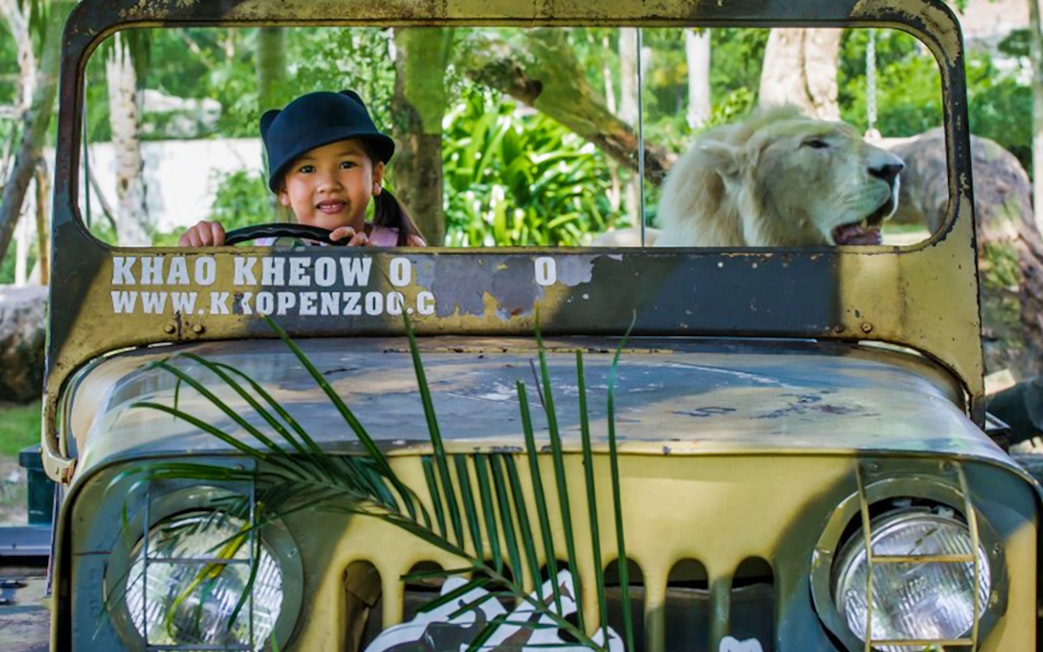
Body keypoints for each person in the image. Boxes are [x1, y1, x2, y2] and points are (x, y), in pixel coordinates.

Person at [179, 90, 426, 247]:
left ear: (376, 176)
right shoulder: (262, 255)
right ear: (283, 190)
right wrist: (198, 255)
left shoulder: (404, 249)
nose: (328, 183)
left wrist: (377, 274)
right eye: (307, 169)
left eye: (346, 164)